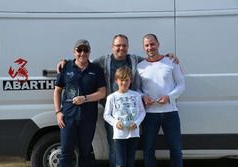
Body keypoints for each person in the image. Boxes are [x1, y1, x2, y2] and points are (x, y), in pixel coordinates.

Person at [56, 34, 179, 167]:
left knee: (130, 151)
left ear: (128, 47)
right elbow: (83, 60)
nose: (121, 48)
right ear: (112, 47)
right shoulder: (103, 61)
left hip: (133, 114)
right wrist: (66, 62)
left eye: (124, 45)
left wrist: (168, 56)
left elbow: (153, 59)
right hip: (112, 113)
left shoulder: (134, 59)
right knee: (114, 149)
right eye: (118, 45)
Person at [53, 39, 106, 167]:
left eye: (86, 50)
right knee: (66, 152)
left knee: (85, 153)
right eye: (79, 50)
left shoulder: (96, 70)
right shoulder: (66, 67)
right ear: (74, 51)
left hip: (88, 118)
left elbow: (102, 92)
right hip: (68, 118)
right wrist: (58, 112)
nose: (82, 53)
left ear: (89, 52)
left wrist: (85, 98)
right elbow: (57, 91)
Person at [135, 34, 185, 167]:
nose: (150, 47)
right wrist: (143, 96)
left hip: (170, 112)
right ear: (143, 47)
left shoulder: (171, 61)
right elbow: (137, 88)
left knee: (175, 150)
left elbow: (181, 84)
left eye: (152, 44)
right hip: (149, 114)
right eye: (146, 45)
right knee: (148, 150)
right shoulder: (140, 66)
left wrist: (169, 97)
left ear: (158, 44)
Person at [103, 66, 146, 167]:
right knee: (120, 162)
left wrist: (136, 123)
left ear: (130, 81)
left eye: (126, 80)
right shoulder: (111, 97)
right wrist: (116, 123)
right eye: (121, 80)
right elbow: (106, 115)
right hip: (119, 134)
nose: (124, 83)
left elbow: (142, 112)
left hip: (133, 133)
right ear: (116, 81)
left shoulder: (136, 95)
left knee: (131, 161)